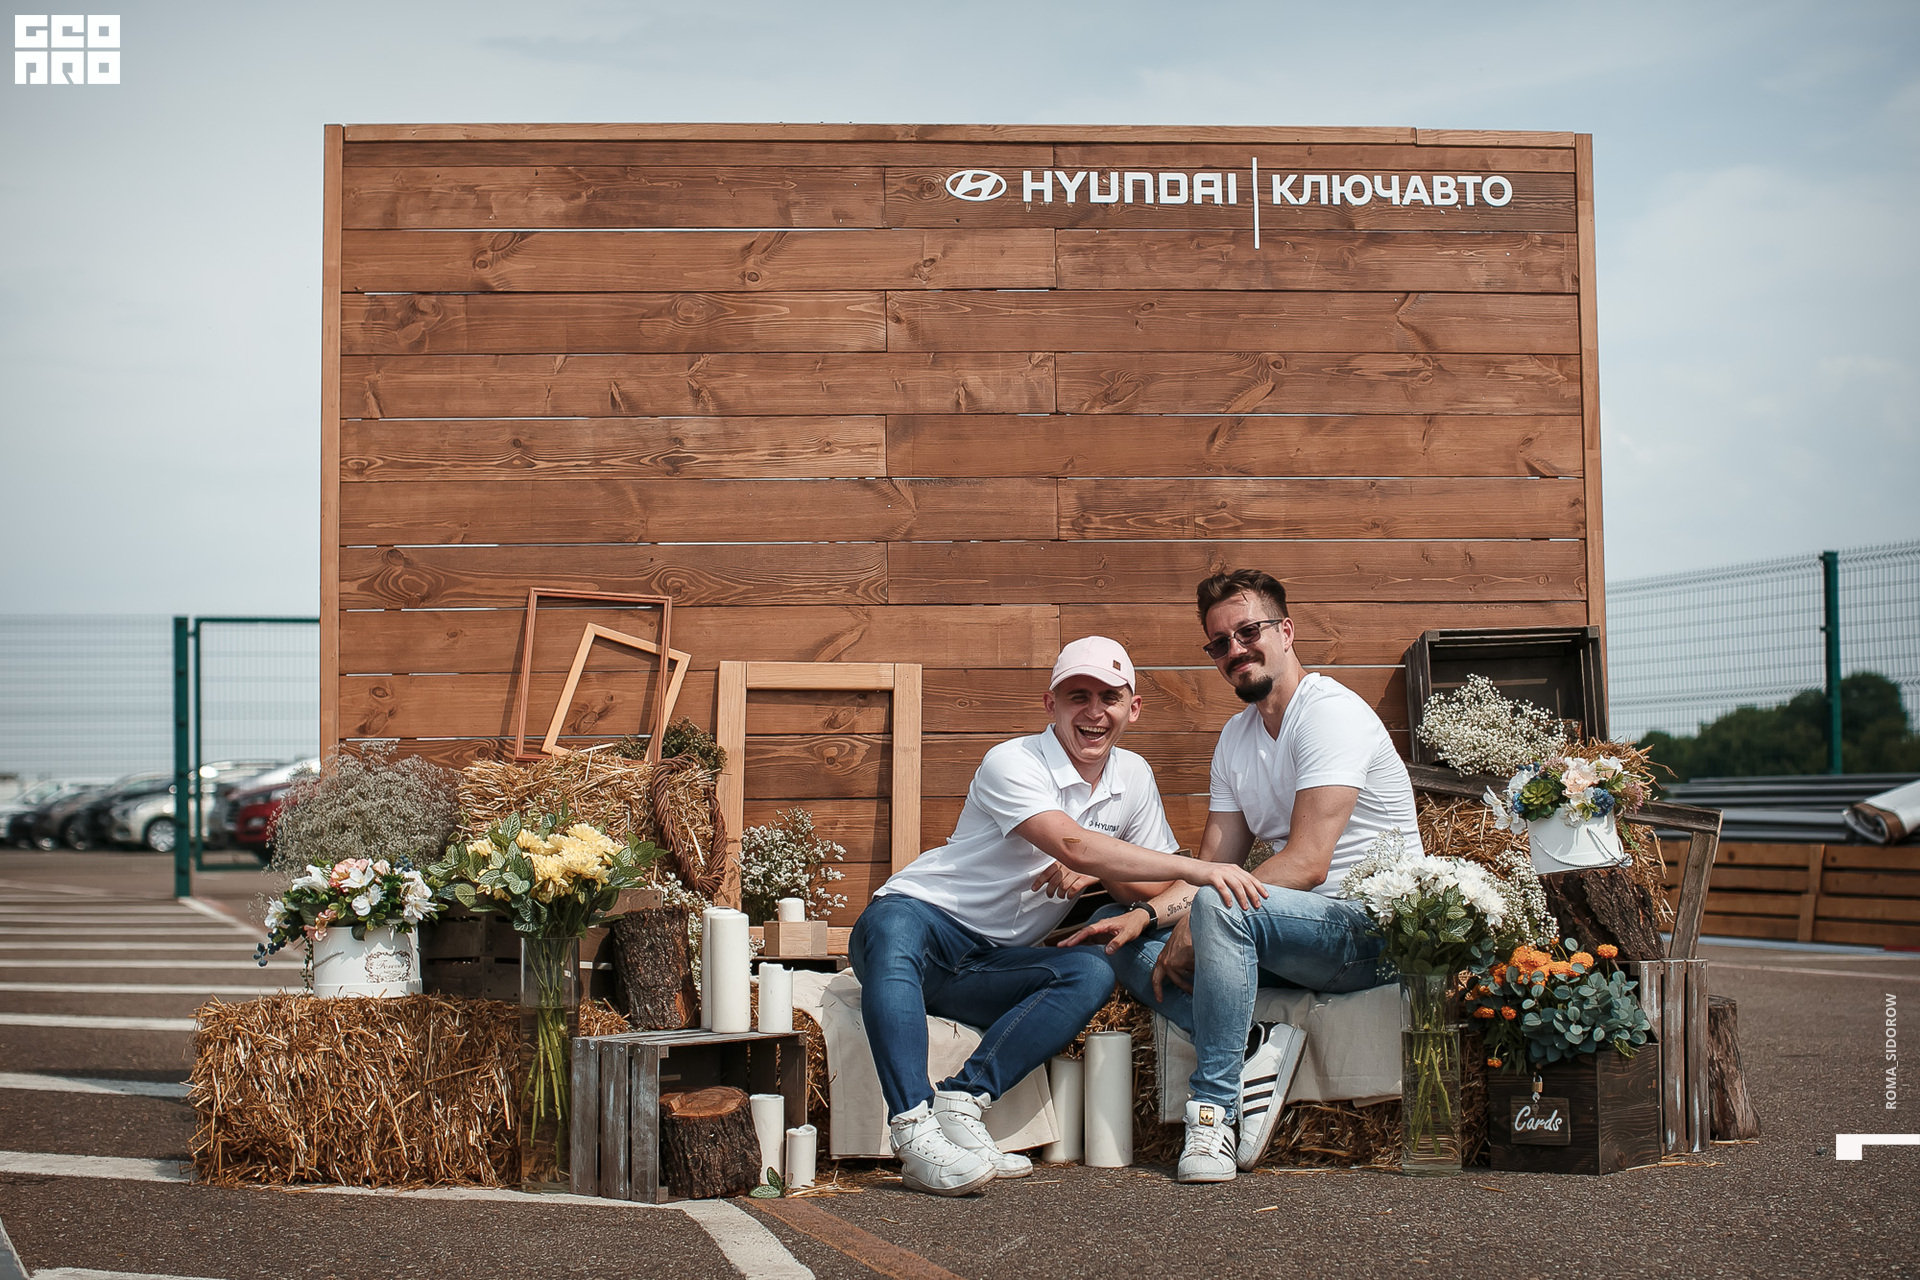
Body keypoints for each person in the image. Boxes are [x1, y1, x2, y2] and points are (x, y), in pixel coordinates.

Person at [849, 636, 1270, 1196]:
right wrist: (1195, 867)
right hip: (923, 922)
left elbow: (1152, 886)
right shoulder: (1012, 760)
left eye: (1109, 697)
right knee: (892, 923)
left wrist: (1103, 874)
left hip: (990, 963)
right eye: (1078, 696)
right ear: (1051, 704)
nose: (1094, 711)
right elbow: (1073, 843)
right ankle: (914, 1131)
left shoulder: (1133, 776)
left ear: (1133, 709)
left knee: (1091, 970)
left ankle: (962, 1101)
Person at [1064, 570, 1420, 1183]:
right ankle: (1254, 1042)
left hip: (1369, 930)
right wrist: (1148, 915)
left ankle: (1212, 1115)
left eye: (1248, 632)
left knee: (1217, 908)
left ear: (1286, 632)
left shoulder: (1329, 715)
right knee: (1110, 927)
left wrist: (1199, 918)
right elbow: (1211, 867)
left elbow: (1307, 862)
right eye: (1220, 643)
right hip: (1291, 931)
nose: (1235, 650)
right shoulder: (1235, 738)